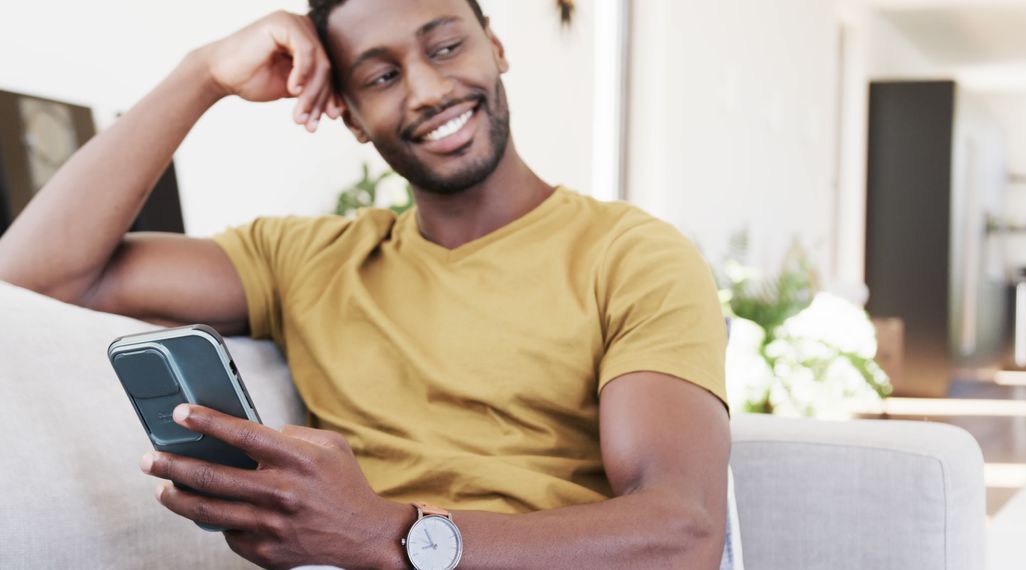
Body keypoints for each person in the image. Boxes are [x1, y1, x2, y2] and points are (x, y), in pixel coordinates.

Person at [0, 0, 731, 567]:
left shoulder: (632, 253)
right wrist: (204, 75)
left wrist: (394, 536)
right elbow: (34, 274)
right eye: (380, 76)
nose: (428, 90)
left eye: (446, 46)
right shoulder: (306, 259)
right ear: (346, 114)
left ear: (496, 45)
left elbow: (681, 534)